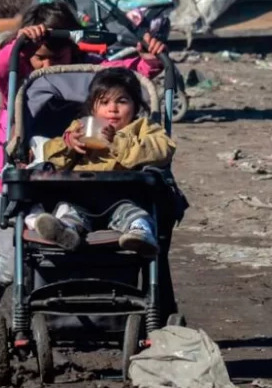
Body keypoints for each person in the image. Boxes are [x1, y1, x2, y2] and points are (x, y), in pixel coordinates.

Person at [0, 0, 166, 335]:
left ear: (72, 50)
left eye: (56, 58)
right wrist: (22, 42)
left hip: (79, 176)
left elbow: (125, 81)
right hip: (24, 170)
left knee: (72, 242)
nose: (46, 64)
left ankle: (81, 310)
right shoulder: (20, 75)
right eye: (40, 58)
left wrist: (149, 63)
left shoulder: (89, 70)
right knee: (16, 261)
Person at [24, 67, 175, 256]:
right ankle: (65, 232)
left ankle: (140, 235)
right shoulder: (81, 127)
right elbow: (50, 158)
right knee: (69, 211)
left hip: (123, 195)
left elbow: (162, 149)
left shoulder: (142, 127)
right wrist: (68, 144)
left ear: (135, 105)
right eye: (104, 102)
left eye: (122, 101)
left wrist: (117, 142)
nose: (113, 108)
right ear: (92, 107)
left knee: (134, 214)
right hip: (81, 195)